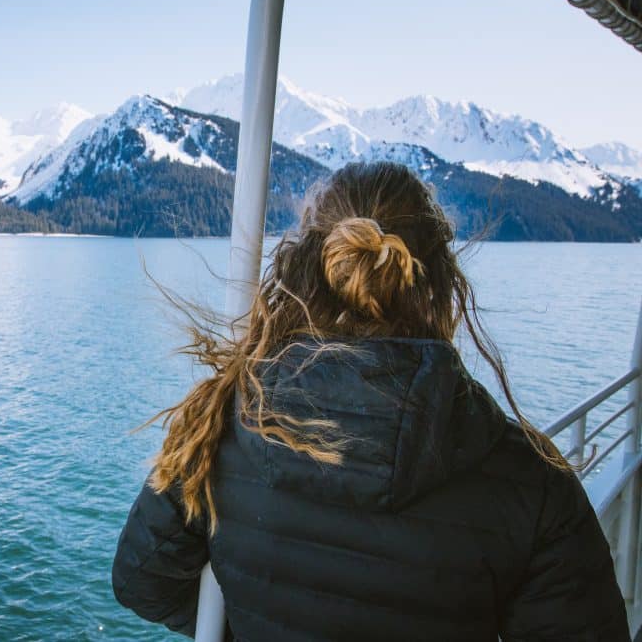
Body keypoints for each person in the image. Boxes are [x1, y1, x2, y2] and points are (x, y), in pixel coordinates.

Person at [111, 162, 630, 641]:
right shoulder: (530, 479)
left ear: (303, 273)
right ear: (441, 286)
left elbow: (142, 581)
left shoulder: (223, 427)